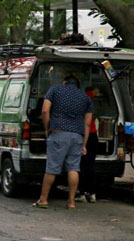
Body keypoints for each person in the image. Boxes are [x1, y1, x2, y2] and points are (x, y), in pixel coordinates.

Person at [32, 74, 93, 209]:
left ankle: (43, 200)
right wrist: (84, 143)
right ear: (77, 84)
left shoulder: (55, 90)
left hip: (58, 133)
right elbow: (87, 124)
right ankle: (71, 202)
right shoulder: (86, 98)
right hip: (77, 136)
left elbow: (45, 110)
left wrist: (47, 128)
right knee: (73, 168)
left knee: (52, 168)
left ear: (64, 82)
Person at [75, 87, 99, 203]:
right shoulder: (88, 98)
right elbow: (96, 90)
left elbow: (86, 124)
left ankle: (81, 192)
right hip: (93, 135)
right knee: (90, 165)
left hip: (84, 135)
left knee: (81, 165)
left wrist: (83, 143)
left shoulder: (79, 99)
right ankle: (92, 193)